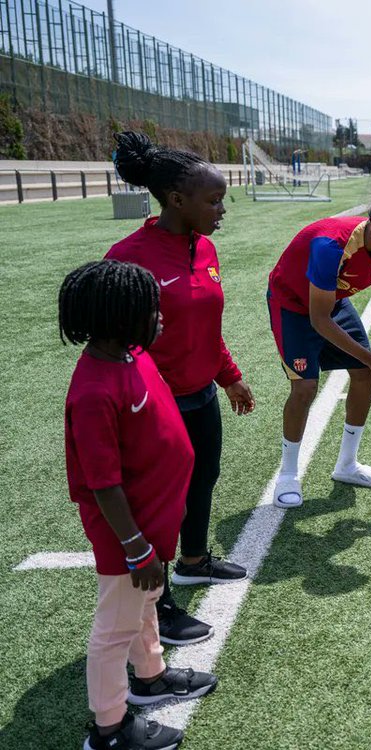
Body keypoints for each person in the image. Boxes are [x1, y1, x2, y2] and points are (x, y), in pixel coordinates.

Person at [61, 260, 219, 750]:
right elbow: (103, 482)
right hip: (124, 531)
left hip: (150, 519)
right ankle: (108, 729)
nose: (161, 316)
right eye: (151, 309)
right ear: (118, 316)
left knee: (144, 603)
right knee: (114, 628)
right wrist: (134, 547)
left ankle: (150, 677)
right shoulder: (94, 390)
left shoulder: (131, 355)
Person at [107, 131, 254, 648]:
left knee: (204, 477)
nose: (221, 209)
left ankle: (194, 561)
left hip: (202, 394)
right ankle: (159, 603)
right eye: (213, 200)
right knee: (159, 502)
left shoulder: (206, 247)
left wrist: (228, 373)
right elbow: (116, 346)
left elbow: (207, 326)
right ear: (176, 199)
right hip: (154, 405)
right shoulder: (128, 257)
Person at [267, 193, 371, 508]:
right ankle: (287, 475)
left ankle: (347, 465)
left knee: (365, 373)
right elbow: (318, 319)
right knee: (305, 387)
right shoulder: (331, 246)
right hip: (293, 306)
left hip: (331, 303)